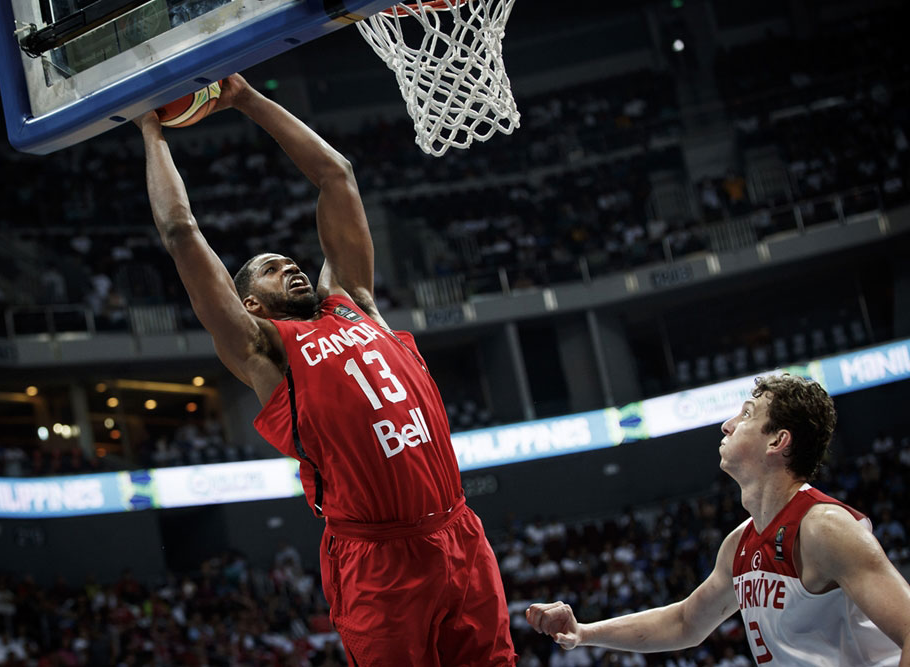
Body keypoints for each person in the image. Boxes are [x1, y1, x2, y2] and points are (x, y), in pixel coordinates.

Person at [132, 74, 515, 666]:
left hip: (461, 532)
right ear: (250, 303)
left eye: (288, 259)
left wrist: (247, 99)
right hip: (379, 562)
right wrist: (150, 130)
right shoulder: (265, 349)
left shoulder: (354, 301)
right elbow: (181, 232)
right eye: (268, 268)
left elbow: (336, 175)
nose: (288, 263)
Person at [526, 374, 910, 665]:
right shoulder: (739, 544)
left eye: (746, 414)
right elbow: (684, 624)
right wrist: (584, 632)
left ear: (777, 442)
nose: (727, 425)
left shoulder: (823, 527)